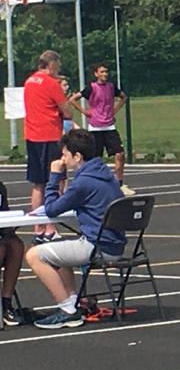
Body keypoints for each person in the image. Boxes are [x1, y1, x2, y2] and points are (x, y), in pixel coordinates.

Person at [24, 129, 125, 329]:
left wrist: (54, 176)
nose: (63, 159)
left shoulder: (83, 182)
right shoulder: (107, 175)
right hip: (114, 245)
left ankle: (67, 309)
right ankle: (72, 301)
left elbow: (52, 208)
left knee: (34, 255)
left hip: (96, 247)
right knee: (59, 249)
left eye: (65, 154)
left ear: (77, 156)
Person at [23, 50, 75, 243]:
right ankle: (51, 226)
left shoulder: (29, 82)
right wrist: (67, 122)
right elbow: (66, 110)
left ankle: (38, 228)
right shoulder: (51, 84)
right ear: (51, 64)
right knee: (57, 180)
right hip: (50, 135)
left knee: (38, 183)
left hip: (32, 136)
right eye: (57, 66)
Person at [68, 62, 133, 195]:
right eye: (102, 72)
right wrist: (85, 111)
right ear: (96, 74)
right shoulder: (91, 88)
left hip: (109, 125)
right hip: (95, 127)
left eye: (106, 72)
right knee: (95, 158)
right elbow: (73, 99)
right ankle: (95, 183)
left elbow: (123, 97)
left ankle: (119, 183)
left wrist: (115, 109)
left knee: (120, 154)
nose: (105, 74)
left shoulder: (111, 86)